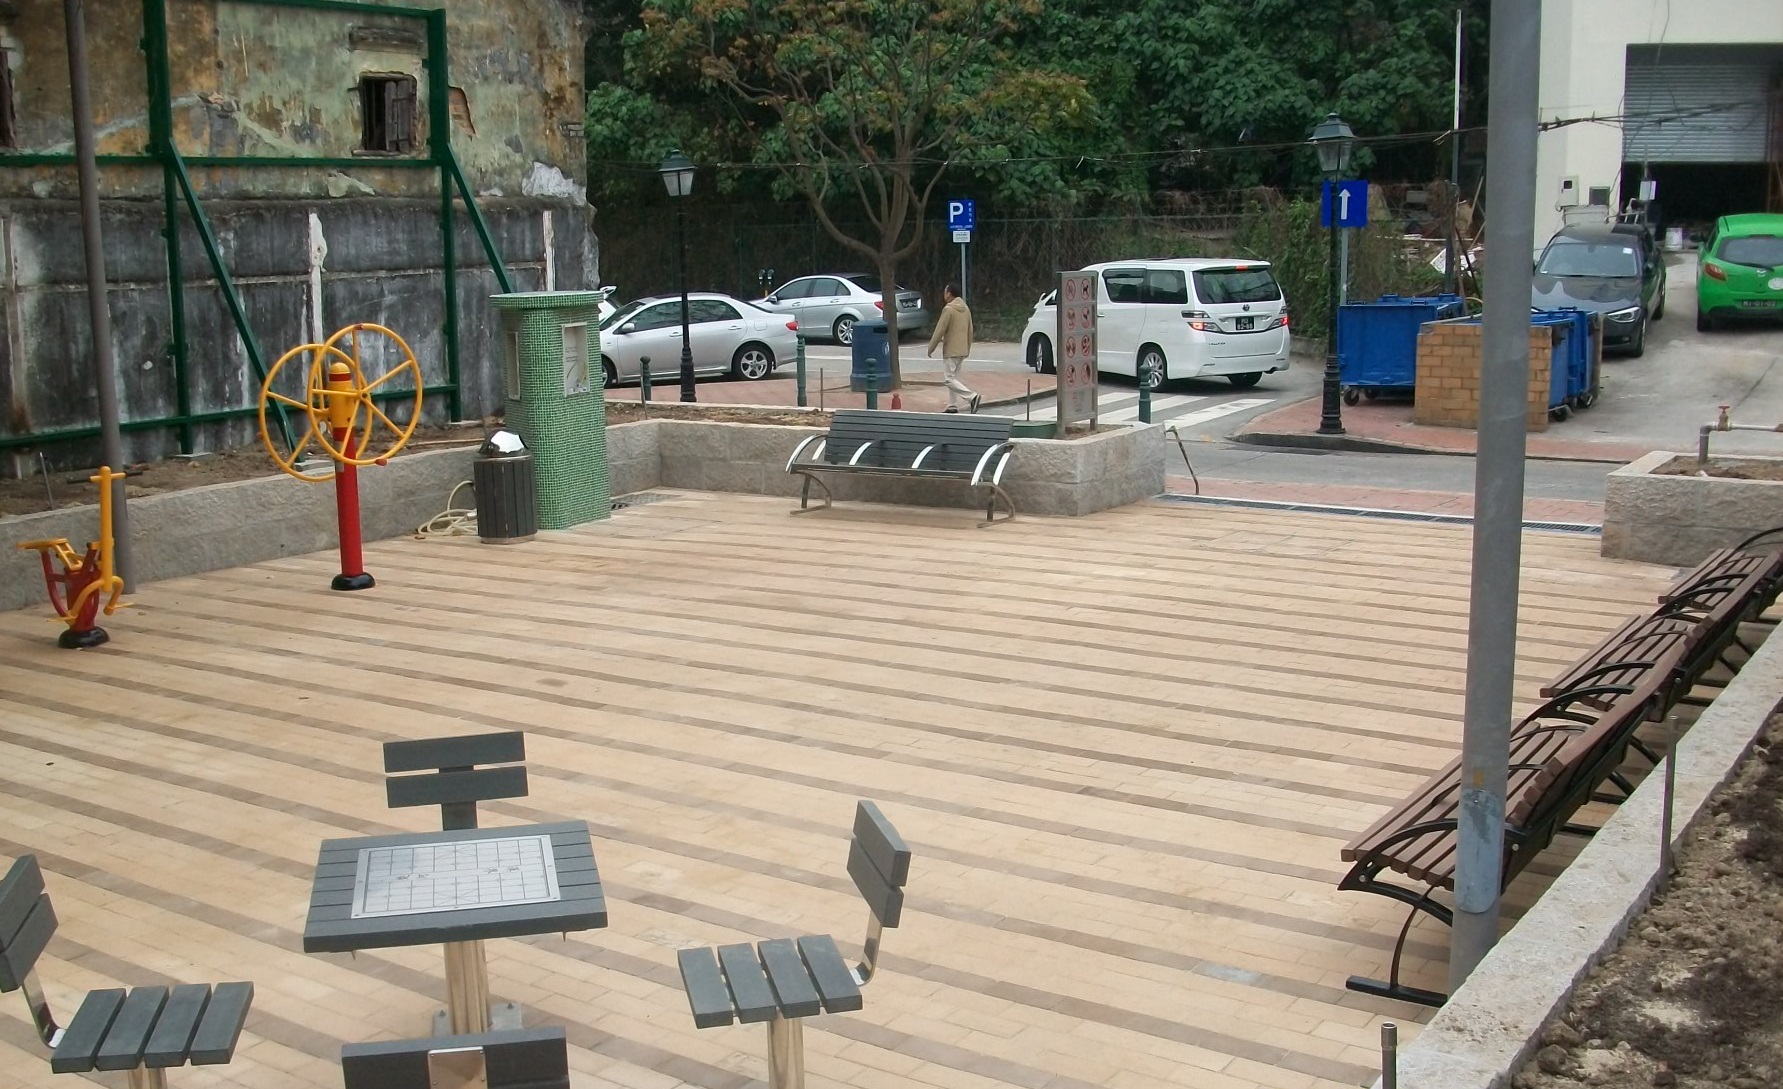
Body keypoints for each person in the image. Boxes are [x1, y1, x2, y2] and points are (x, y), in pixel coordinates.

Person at [926, 282, 979, 413]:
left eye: (945, 292)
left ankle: (972, 397)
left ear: (949, 294)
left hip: (951, 350)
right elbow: (970, 330)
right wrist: (968, 348)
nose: (944, 295)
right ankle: (952, 405)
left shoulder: (948, 309)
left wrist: (931, 347)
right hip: (962, 350)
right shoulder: (965, 308)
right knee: (954, 378)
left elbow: (940, 330)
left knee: (949, 380)